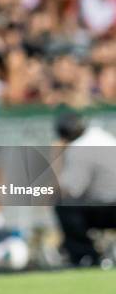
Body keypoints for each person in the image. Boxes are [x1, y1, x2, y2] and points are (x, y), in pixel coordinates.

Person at [54, 110, 116, 267]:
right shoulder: (104, 137)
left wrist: (56, 156)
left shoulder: (80, 148)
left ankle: (85, 256)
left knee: (64, 205)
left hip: (108, 208)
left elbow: (70, 189)